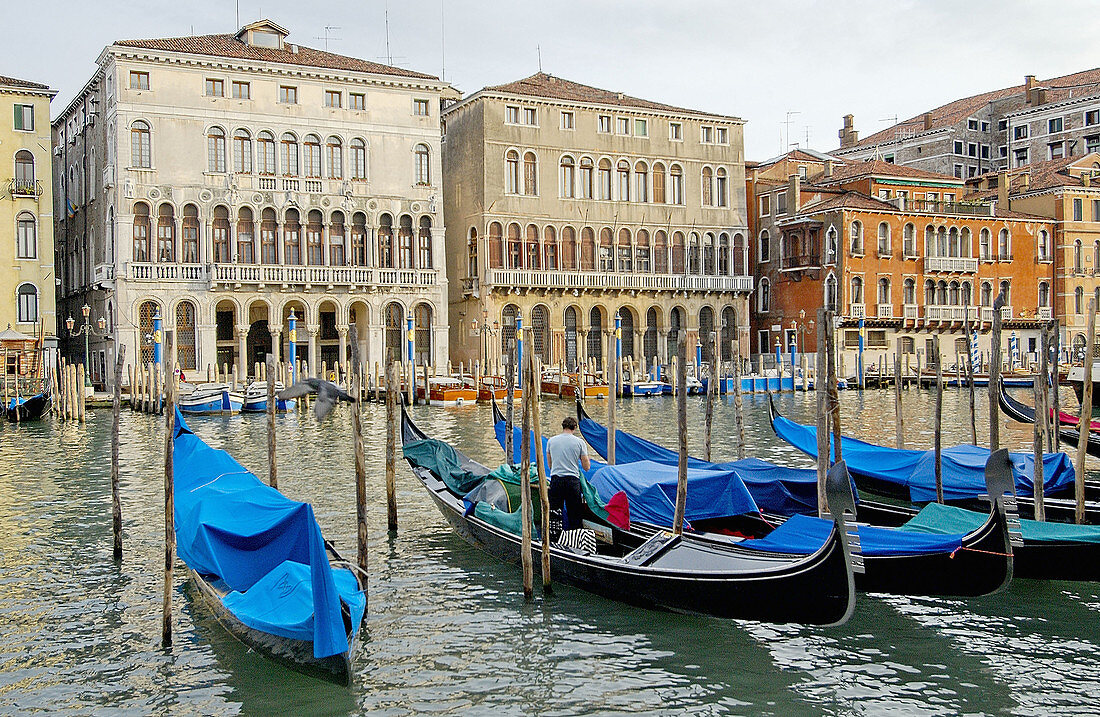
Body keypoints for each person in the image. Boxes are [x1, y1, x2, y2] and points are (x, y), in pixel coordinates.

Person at [546, 415, 591, 539]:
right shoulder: (579, 442)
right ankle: (575, 539)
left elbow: (550, 465)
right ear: (574, 428)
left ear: (563, 426)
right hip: (572, 481)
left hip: (556, 480)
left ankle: (555, 539)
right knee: (575, 513)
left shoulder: (551, 441)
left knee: (555, 512)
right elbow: (586, 467)